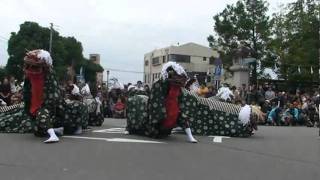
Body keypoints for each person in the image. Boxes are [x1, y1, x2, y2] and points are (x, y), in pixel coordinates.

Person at [0, 49, 88, 143]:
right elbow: (26, 96)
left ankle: (56, 131)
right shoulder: (28, 78)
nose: (31, 68)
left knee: (77, 107)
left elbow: (54, 100)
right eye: (29, 66)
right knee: (9, 114)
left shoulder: (50, 78)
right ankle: (54, 130)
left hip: (51, 111)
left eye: (34, 67)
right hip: (31, 111)